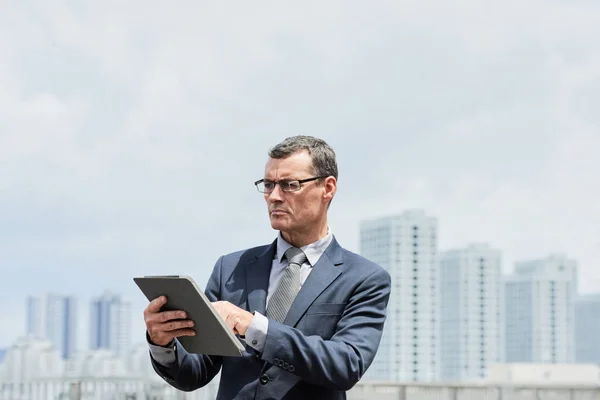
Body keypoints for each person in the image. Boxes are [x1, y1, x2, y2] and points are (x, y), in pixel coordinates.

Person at [143, 136, 391, 399]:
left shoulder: (365, 279)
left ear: (327, 188)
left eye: (289, 185)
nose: (274, 197)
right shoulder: (231, 268)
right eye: (269, 185)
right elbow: (197, 371)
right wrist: (162, 343)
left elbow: (345, 365)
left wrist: (253, 326)